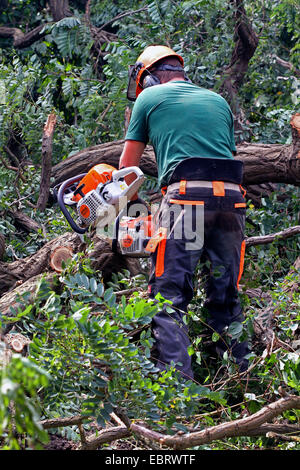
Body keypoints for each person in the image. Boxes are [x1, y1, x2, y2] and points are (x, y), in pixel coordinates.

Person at [119, 45, 249, 380]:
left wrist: (128, 217)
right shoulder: (217, 101)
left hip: (186, 200)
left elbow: (126, 170)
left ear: (147, 78)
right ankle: (240, 387)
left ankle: (179, 399)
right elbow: (220, 157)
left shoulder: (150, 98)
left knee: (168, 298)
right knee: (226, 297)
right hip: (232, 200)